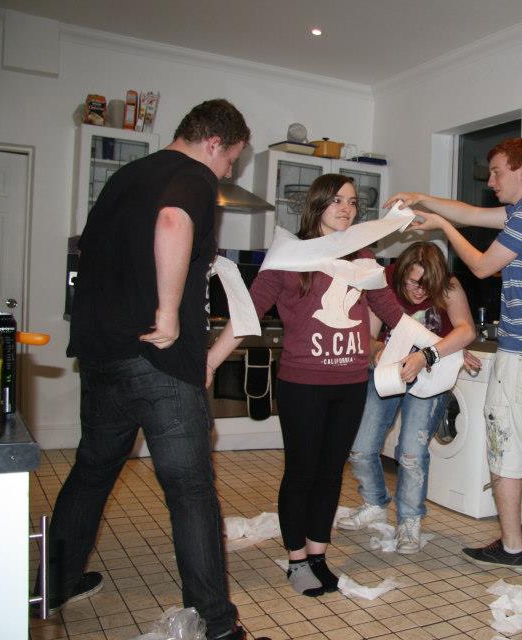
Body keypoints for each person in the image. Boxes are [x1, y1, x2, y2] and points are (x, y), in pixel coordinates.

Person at [42, 100, 266, 640]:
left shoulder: (124, 178)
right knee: (190, 491)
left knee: (91, 473)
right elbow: (172, 221)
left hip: (102, 355)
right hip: (158, 360)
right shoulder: (192, 176)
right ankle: (217, 626)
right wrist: (167, 312)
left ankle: (52, 585)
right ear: (213, 143)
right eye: (231, 160)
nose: (227, 173)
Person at [207, 174, 406, 597]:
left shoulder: (362, 257)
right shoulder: (289, 256)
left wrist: (435, 346)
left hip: (350, 383)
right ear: (317, 204)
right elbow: (247, 314)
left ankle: (318, 555)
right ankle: (296, 559)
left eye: (352, 202)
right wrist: (209, 362)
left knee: (331, 474)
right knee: (302, 473)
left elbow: (392, 311)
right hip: (303, 385)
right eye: (337, 200)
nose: (347, 208)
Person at [385, 136, 522, 576]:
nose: (490, 181)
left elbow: (482, 266)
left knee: (504, 454)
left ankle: (511, 546)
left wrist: (440, 228)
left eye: (497, 172)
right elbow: (469, 213)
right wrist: (421, 200)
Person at [337, 241, 478, 553]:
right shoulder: (385, 281)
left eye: (428, 285)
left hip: (430, 376)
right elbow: (367, 336)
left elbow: (466, 330)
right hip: (387, 372)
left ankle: (409, 521)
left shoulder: (449, 286)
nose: (420, 292)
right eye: (414, 283)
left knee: (412, 454)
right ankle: (375, 503)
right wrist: (379, 350)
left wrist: (432, 354)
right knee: (360, 448)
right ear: (401, 274)